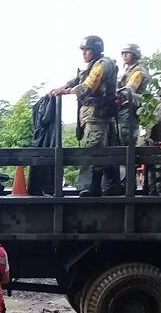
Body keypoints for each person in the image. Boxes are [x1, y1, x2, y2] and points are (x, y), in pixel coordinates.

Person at [50, 35, 121, 196]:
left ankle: (94, 188)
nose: (84, 53)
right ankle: (111, 185)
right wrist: (62, 86)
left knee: (93, 149)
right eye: (83, 50)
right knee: (101, 149)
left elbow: (89, 85)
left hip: (98, 114)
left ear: (96, 50)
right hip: (93, 114)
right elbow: (79, 78)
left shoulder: (103, 65)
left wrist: (66, 91)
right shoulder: (93, 65)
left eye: (87, 49)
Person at [117, 43, 149, 147]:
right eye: (123, 53)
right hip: (123, 108)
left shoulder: (138, 71)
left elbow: (129, 89)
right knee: (119, 138)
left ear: (135, 55)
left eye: (128, 53)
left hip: (129, 108)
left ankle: (128, 162)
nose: (124, 55)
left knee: (126, 139)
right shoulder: (128, 71)